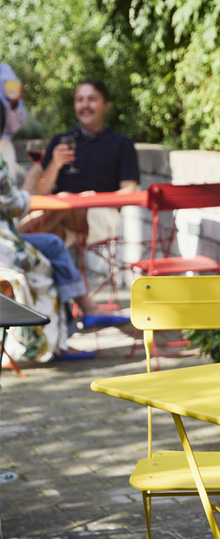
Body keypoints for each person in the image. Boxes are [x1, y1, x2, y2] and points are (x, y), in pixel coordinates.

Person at [0, 108, 129, 362]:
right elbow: (14, 205)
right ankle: (57, 343)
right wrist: (30, 185)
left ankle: (83, 313)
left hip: (81, 220)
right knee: (47, 263)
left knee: (53, 244)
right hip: (5, 244)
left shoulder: (119, 144)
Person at [19, 78, 139, 243]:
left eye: (92, 99)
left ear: (106, 105)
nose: (85, 105)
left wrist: (92, 199)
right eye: (80, 100)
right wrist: (55, 164)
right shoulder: (60, 141)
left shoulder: (122, 144)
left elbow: (129, 190)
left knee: (62, 202)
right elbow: (41, 191)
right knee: (50, 228)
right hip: (58, 215)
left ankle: (9, 242)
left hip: (102, 213)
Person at [0, 63, 27, 181]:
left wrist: (14, 103)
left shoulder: (6, 71)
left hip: (3, 148)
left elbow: (15, 127)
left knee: (8, 191)